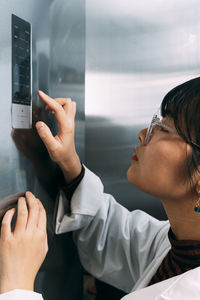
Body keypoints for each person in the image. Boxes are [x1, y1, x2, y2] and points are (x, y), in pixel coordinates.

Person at [1, 77, 200, 299]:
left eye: (163, 128)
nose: (143, 133)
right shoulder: (180, 246)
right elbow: (111, 236)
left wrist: (16, 283)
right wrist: (67, 162)